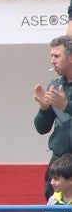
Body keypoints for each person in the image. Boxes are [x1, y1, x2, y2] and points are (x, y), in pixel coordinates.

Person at [33, 35, 72, 198]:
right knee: (55, 206)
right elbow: (42, 128)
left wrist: (67, 107)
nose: (52, 61)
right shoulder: (54, 86)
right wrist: (44, 109)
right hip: (59, 161)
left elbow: (66, 108)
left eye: (56, 56)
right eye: (51, 56)